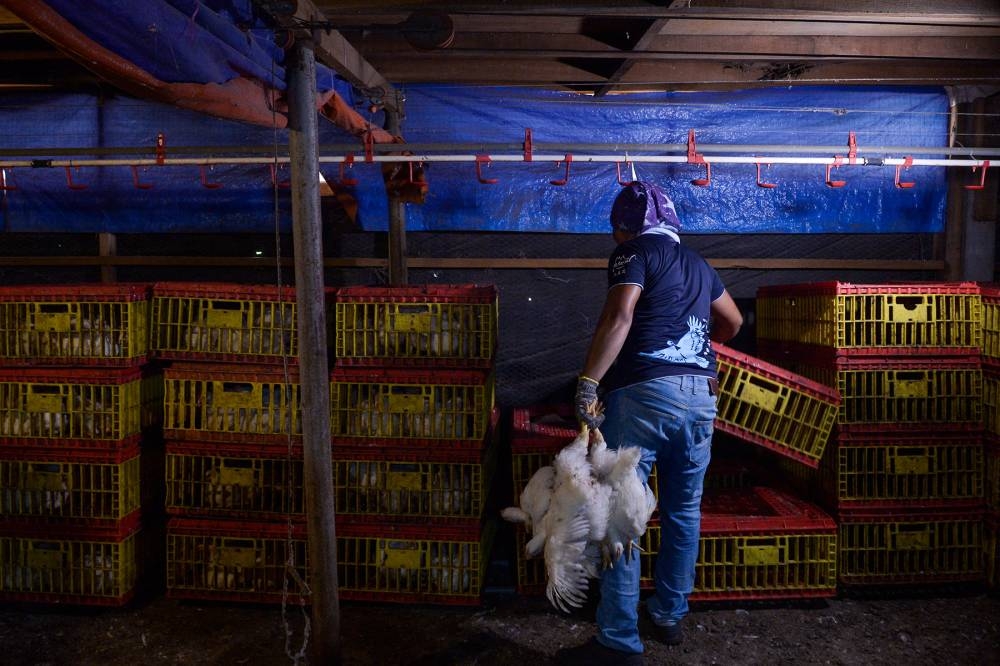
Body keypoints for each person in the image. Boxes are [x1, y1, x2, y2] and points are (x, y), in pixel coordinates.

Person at [554, 181, 743, 666]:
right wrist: (697, 350)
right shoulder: (701, 264)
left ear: (624, 228)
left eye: (617, 232)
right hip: (701, 397)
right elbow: (733, 322)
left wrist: (589, 382)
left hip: (644, 394)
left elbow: (619, 317)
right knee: (684, 510)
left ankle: (618, 640)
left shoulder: (634, 252)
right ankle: (668, 614)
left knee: (622, 514)